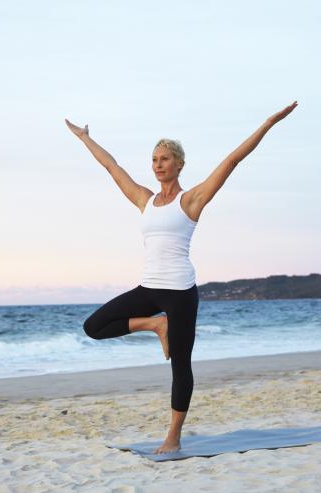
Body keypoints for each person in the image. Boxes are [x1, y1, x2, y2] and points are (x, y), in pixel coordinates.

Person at [65, 101, 298, 454]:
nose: (157, 165)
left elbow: (233, 160)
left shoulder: (191, 201)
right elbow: (112, 167)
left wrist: (267, 123)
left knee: (181, 366)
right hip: (148, 288)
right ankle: (156, 326)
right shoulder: (144, 199)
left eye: (164, 159)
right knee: (93, 327)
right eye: (154, 160)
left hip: (180, 292)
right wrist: (85, 139)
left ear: (179, 164)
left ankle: (173, 435)